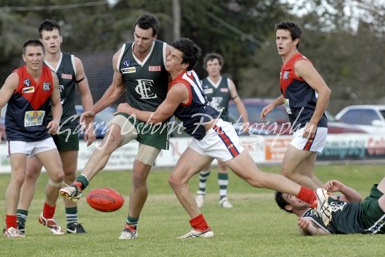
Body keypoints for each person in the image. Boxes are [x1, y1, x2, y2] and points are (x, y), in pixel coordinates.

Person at [115, 37, 332, 238]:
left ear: (184, 65)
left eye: (173, 57)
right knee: (177, 180)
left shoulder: (179, 87)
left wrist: (127, 109)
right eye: (168, 55)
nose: (167, 59)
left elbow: (157, 118)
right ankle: (201, 227)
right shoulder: (180, 76)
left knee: (255, 178)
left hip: (216, 134)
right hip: (202, 137)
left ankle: (313, 198)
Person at [59, 13, 171, 239]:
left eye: (145, 39)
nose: (139, 43)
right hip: (129, 113)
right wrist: (93, 111)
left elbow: (177, 89)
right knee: (111, 134)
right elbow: (116, 88)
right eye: (136, 36)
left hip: (155, 120)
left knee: (139, 176)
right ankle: (78, 186)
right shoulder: (121, 55)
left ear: (155, 37)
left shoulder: (167, 54)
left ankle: (131, 226)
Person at [14, 19, 94, 235]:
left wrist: (89, 123)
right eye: (47, 38)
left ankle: (71, 223)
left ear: (61, 38)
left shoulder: (74, 62)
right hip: (38, 126)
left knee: (69, 174)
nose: (51, 41)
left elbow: (85, 93)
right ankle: (20, 222)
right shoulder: (35, 64)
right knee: (31, 173)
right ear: (41, 42)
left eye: (54, 37)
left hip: (67, 123)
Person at [0, 39, 64, 238]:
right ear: (24, 57)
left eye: (38, 54)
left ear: (43, 56)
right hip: (19, 135)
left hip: (41, 134)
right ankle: (10, 226)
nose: (35, 58)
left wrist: (56, 120)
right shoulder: (16, 77)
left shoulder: (52, 77)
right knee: (19, 177)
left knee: (58, 176)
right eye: (30, 55)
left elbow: (57, 104)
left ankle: (47, 216)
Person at [261, 21, 331, 190]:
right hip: (304, 125)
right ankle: (337, 207)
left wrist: (313, 122)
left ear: (295, 41)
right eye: (277, 38)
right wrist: (274, 104)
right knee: (305, 175)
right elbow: (291, 92)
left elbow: (325, 91)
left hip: (310, 125)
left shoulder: (300, 64)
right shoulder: (286, 64)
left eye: (284, 38)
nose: (279, 42)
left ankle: (332, 206)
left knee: (288, 173)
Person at [195, 53, 249, 208]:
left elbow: (238, 101)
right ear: (206, 67)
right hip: (206, 127)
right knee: (204, 163)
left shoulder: (228, 83)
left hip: (222, 128)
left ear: (220, 66)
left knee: (223, 163)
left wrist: (245, 121)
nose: (213, 67)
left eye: (215, 64)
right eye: (210, 64)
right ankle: (201, 193)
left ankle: (223, 198)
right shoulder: (201, 83)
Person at [275, 178, 385, 235]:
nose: (297, 194)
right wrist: (308, 228)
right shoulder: (308, 218)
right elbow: (315, 231)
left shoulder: (321, 200)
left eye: (296, 191)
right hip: (367, 220)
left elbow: (357, 200)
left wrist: (342, 187)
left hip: (367, 205)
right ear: (288, 207)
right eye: (291, 196)